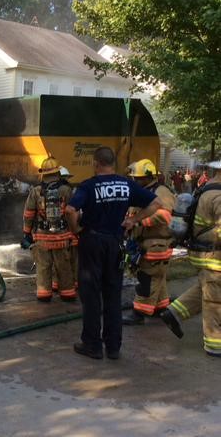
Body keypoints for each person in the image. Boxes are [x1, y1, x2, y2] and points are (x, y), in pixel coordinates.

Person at [65, 147, 162, 360]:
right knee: (112, 294)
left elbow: (70, 210)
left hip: (92, 242)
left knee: (91, 295)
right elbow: (157, 203)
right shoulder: (126, 184)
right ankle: (113, 346)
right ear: (112, 163)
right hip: (115, 244)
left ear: (96, 163)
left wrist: (76, 230)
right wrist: (133, 221)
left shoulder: (89, 186)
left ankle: (92, 344)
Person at [161, 160, 221, 357]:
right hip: (213, 255)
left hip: (202, 253)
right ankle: (214, 344)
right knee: (215, 299)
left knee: (207, 286)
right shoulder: (218, 196)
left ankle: (175, 312)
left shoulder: (206, 188)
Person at [123, 159, 176, 325]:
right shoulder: (145, 190)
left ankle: (139, 313)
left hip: (157, 244)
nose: (135, 181)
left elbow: (165, 216)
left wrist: (139, 222)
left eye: (138, 178)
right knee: (157, 276)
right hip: (145, 243)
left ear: (147, 177)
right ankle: (161, 307)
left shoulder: (161, 192)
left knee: (148, 278)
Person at [23, 157, 76, 302]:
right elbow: (72, 212)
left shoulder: (36, 191)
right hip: (61, 237)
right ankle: (68, 293)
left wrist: (27, 233)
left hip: (42, 238)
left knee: (43, 267)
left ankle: (44, 294)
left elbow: (28, 214)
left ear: (43, 174)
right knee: (64, 266)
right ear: (57, 173)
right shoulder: (66, 190)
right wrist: (74, 231)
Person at [51, 167, 78, 294]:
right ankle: (72, 284)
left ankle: (56, 283)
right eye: (65, 178)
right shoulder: (68, 191)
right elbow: (73, 211)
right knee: (71, 259)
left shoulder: (48, 190)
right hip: (67, 231)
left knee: (57, 260)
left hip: (53, 232)